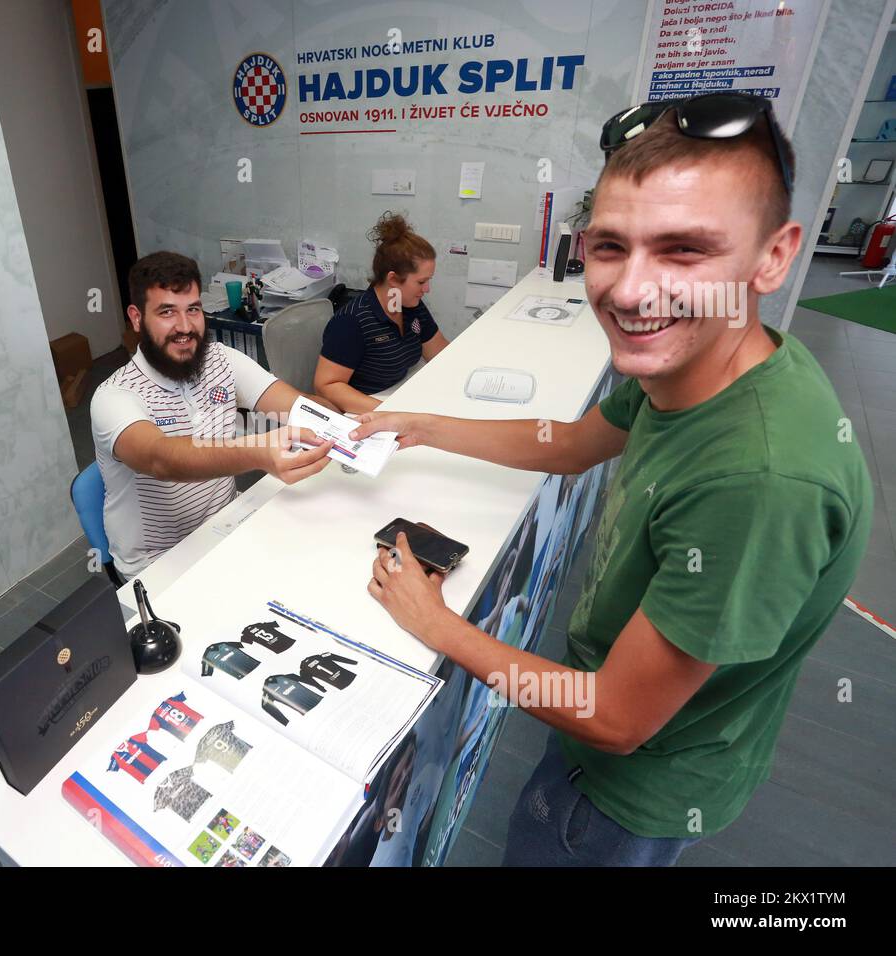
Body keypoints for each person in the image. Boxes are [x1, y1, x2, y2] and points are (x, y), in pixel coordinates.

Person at [353, 92, 872, 866]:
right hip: (609, 738)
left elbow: (615, 717)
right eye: (609, 246)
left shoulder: (760, 478)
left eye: (684, 250)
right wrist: (426, 424)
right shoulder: (702, 361)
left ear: (774, 255)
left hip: (633, 789)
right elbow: (567, 443)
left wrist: (440, 628)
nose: (630, 292)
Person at [91, 251, 334, 579]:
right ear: (136, 318)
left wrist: (352, 425)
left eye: (193, 309)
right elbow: (161, 459)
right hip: (159, 565)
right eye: (167, 312)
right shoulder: (114, 397)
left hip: (226, 530)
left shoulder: (220, 359)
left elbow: (295, 406)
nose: (184, 326)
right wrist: (259, 453)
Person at [313, 213, 449, 413]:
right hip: (363, 411)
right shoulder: (352, 321)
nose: (427, 289)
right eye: (421, 282)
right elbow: (326, 386)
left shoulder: (412, 306)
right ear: (393, 279)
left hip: (399, 395)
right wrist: (390, 412)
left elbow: (440, 355)